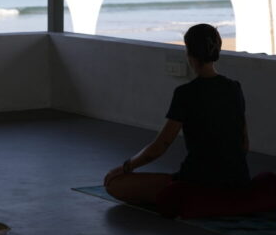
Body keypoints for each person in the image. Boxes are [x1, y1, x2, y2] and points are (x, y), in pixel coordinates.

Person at [104, 23, 250, 205]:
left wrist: (125, 167)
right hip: (237, 180)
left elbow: (159, 147)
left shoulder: (186, 93)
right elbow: (244, 144)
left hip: (197, 182)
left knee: (114, 184)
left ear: (189, 54)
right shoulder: (234, 88)